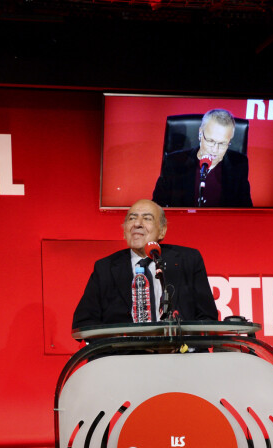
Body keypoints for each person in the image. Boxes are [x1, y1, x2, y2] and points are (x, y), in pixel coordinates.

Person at [72, 199, 217, 329]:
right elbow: (84, 322)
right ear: (124, 231)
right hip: (125, 356)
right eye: (132, 218)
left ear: (162, 231)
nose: (137, 224)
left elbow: (207, 317)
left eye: (147, 218)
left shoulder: (188, 260)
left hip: (180, 355)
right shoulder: (105, 268)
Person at [152, 109, 252, 208]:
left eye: (222, 143)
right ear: (200, 134)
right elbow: (156, 207)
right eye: (210, 140)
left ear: (230, 140)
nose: (215, 149)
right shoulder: (174, 162)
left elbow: (246, 211)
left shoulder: (238, 165)